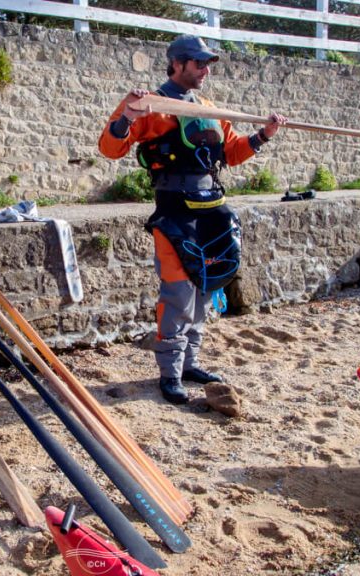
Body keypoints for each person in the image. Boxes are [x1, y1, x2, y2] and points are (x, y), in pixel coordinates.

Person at [98, 34, 286, 405]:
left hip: (212, 209)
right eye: (199, 63)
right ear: (178, 64)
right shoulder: (148, 105)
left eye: (208, 64)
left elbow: (230, 154)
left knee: (205, 285)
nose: (205, 70)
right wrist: (128, 117)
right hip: (174, 211)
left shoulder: (209, 109)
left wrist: (263, 135)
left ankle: (190, 363)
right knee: (179, 292)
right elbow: (110, 147)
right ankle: (169, 373)